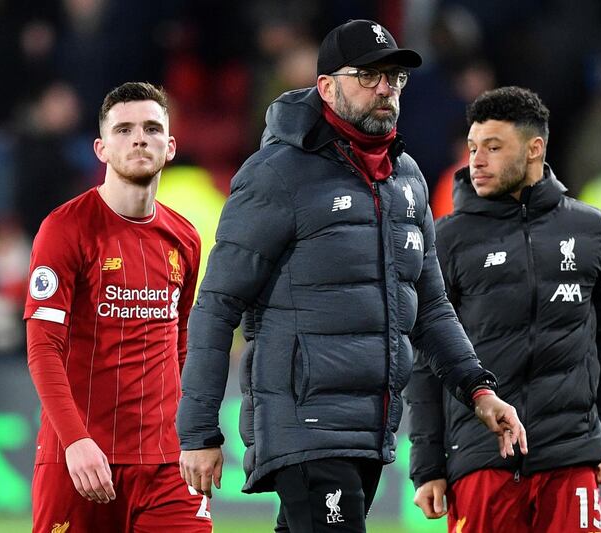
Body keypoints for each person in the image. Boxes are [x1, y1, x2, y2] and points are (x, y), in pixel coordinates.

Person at [177, 20, 527, 533]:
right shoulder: (277, 173)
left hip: (369, 428)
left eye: (394, 77)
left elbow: (429, 306)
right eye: (368, 75)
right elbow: (217, 304)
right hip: (305, 426)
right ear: (326, 87)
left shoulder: (406, 179)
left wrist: (478, 389)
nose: (385, 88)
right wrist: (198, 431)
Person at [407, 86, 601, 532]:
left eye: (493, 147)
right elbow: (427, 361)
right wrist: (428, 465)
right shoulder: (446, 240)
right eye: (473, 148)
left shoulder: (593, 232)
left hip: (571, 458)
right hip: (481, 457)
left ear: (534, 149)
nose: (477, 160)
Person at [24, 82, 210, 532]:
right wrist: (75, 441)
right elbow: (43, 350)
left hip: (167, 462)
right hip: (82, 458)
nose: (139, 138)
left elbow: (180, 344)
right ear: (101, 148)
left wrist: (196, 434)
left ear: (170, 147)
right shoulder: (65, 230)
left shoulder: (184, 238)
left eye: (151, 128)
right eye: (124, 129)